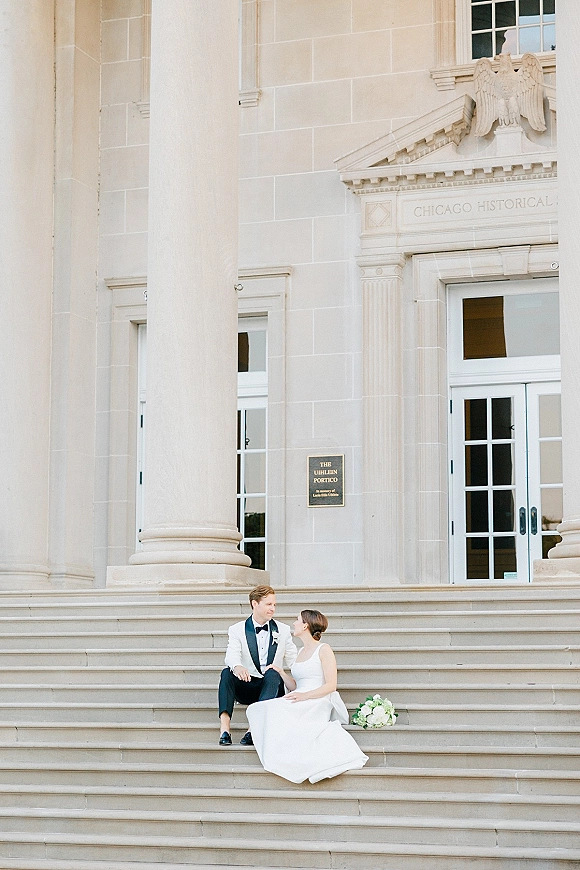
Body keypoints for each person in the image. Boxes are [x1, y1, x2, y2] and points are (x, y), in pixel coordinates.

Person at [246, 609, 368, 783]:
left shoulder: (324, 650)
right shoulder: (301, 650)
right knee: (260, 707)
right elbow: (296, 685)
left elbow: (331, 685)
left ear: (305, 625)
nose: (294, 623)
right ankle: (278, 754)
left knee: (276, 710)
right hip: (299, 695)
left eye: (297, 620)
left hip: (318, 699)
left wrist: (306, 696)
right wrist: (281, 672)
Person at [217, 584, 297, 745]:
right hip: (247, 686)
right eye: (268, 604)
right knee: (227, 672)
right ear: (255, 604)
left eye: (274, 604)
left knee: (273, 673)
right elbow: (231, 655)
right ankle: (225, 729)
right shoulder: (237, 629)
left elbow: (294, 660)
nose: (273, 608)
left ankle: (252, 730)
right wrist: (237, 666)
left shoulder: (283, 630)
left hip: (271, 687)